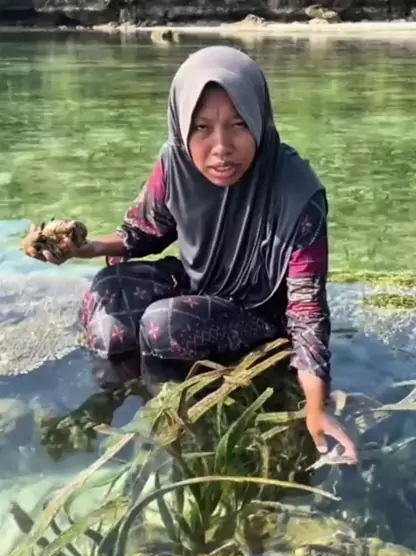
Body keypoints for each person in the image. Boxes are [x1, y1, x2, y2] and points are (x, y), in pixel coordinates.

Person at [26, 44, 357, 461]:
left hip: (258, 311)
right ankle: (114, 399)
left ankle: (177, 431)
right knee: (108, 298)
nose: (221, 146)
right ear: (182, 125)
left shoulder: (297, 192)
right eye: (202, 128)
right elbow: (142, 233)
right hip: (201, 285)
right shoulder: (175, 164)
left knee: (163, 326)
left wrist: (316, 408)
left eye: (238, 124)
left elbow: (307, 311)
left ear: (259, 118)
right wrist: (85, 249)